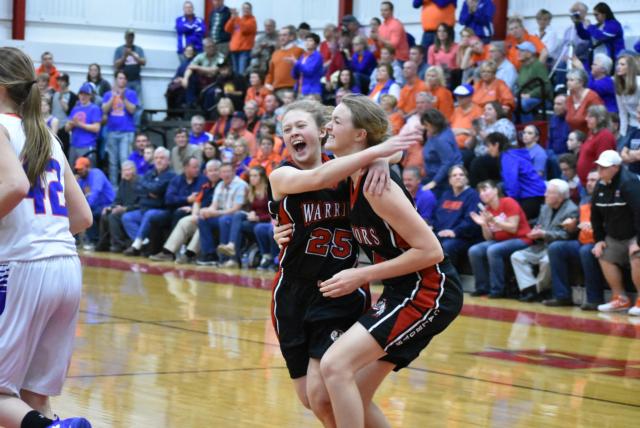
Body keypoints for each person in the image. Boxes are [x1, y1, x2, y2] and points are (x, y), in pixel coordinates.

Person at [314, 94, 463, 428]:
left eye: (337, 121)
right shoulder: (355, 173)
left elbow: (431, 251)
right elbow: (390, 150)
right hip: (403, 289)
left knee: (335, 367)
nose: (328, 126)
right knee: (336, 395)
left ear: (359, 134)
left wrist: (362, 276)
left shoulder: (375, 187)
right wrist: (385, 157)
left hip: (428, 291)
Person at [268, 98, 417, 426]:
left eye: (300, 126)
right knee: (313, 400)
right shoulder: (282, 176)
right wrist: (379, 155)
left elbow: (390, 151)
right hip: (291, 296)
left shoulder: (350, 171)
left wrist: (383, 160)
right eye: (286, 129)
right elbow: (320, 178)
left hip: (340, 291)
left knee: (327, 392)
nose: (293, 132)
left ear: (322, 132)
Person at [0, 46, 93, 428]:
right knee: (32, 394)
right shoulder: (46, 135)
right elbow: (82, 216)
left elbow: (15, 185)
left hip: (22, 268)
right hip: (65, 268)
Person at [510, 179, 578, 303]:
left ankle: (536, 290)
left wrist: (544, 234)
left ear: (560, 196)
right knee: (517, 256)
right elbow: (539, 225)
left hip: (557, 248)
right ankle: (529, 289)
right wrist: (536, 231)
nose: (545, 194)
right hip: (542, 246)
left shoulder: (571, 210)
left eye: (549, 192)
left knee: (547, 261)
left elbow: (567, 235)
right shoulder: (545, 207)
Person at [546, 169, 605, 309]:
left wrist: (595, 227)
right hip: (583, 239)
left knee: (586, 251)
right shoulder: (584, 199)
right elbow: (578, 224)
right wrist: (572, 226)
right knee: (556, 248)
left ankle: (595, 299)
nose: (589, 183)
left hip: (601, 241)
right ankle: (562, 296)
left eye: (593, 180)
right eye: (588, 180)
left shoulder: (607, 197)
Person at [590, 150, 640, 315]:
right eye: (599, 167)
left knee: (637, 256)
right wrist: (598, 240)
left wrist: (638, 242)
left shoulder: (629, 183)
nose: (600, 171)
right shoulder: (600, 185)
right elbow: (595, 216)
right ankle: (620, 299)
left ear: (616, 168)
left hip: (634, 234)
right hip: (615, 236)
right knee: (604, 254)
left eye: (604, 168)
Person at [468, 180, 532, 297]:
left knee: (493, 250)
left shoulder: (508, 202)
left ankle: (497, 290)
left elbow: (513, 228)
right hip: (500, 241)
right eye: (480, 192)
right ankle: (482, 288)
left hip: (521, 239)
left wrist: (494, 220)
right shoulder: (487, 210)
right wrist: (483, 224)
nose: (482, 193)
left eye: (485, 189)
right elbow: (489, 238)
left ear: (496, 190)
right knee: (475, 250)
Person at [149, 160, 221, 264]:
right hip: (201, 214)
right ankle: (168, 252)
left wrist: (200, 213)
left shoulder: (221, 186)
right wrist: (194, 214)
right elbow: (197, 201)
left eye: (216, 170)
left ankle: (189, 254)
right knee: (184, 221)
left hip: (213, 217)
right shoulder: (205, 185)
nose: (213, 173)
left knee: (203, 224)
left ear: (221, 171)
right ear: (206, 173)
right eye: (210, 170)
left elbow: (216, 206)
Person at [121, 147, 175, 256]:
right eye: (156, 158)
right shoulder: (149, 173)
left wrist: (150, 189)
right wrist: (150, 192)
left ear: (168, 160)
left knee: (150, 214)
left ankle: (136, 245)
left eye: (162, 158)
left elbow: (157, 190)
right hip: (145, 208)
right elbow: (137, 188)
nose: (158, 160)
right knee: (127, 217)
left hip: (162, 210)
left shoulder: (171, 175)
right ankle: (145, 243)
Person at [217, 166, 271, 267]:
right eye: (251, 176)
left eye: (255, 176)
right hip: (254, 222)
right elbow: (251, 209)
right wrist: (251, 213)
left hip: (265, 222)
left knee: (238, 224)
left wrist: (259, 218)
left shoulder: (269, 191)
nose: (252, 178)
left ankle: (233, 256)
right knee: (238, 220)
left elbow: (273, 213)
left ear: (262, 177)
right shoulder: (251, 191)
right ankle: (232, 255)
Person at [486, 132, 547, 220]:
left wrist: (510, 205)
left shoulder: (508, 157)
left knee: (508, 221)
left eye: (488, 146)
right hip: (537, 195)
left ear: (496, 145)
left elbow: (512, 184)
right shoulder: (514, 153)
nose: (487, 150)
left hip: (530, 197)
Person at [196, 162, 247, 266]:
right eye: (223, 172)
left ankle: (225, 258)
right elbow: (214, 205)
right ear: (220, 174)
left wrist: (216, 213)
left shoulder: (241, 184)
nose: (226, 174)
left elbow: (236, 208)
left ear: (233, 172)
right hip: (222, 214)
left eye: (228, 171)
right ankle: (210, 255)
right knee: (202, 219)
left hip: (236, 216)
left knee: (223, 220)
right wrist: (206, 211)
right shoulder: (220, 185)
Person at [432, 165, 482, 266]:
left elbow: (470, 220)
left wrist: (454, 231)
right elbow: (436, 215)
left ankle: (451, 279)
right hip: (442, 233)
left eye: (461, 175)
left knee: (447, 246)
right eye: (454, 175)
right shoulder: (446, 195)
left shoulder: (473, 195)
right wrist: (434, 227)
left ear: (466, 179)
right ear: (450, 180)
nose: (458, 177)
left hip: (462, 237)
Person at [102, 71, 139, 186]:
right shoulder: (108, 94)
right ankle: (113, 187)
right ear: (116, 80)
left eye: (123, 78)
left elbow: (132, 110)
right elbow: (104, 110)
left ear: (126, 81)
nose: (121, 80)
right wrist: (113, 98)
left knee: (125, 160)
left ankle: (126, 186)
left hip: (126, 132)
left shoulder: (131, 93)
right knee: (112, 162)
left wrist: (123, 98)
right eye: (119, 78)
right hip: (112, 131)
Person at [96, 161, 141, 253]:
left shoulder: (140, 182)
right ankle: (103, 244)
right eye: (125, 170)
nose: (127, 172)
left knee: (113, 216)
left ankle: (118, 245)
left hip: (135, 210)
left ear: (134, 170)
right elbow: (117, 200)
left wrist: (125, 209)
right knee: (105, 214)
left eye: (129, 170)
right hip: (123, 209)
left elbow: (141, 204)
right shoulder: (123, 182)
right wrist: (110, 207)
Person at [420, 108, 463, 196]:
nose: (424, 127)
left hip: (442, 182)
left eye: (426, 125)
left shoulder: (441, 140)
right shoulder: (443, 131)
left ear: (434, 124)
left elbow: (447, 163)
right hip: (434, 177)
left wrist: (434, 182)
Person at [74, 157, 115, 248]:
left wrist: (85, 208)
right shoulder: (81, 180)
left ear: (88, 167)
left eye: (81, 169)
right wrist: (74, 183)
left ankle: (95, 241)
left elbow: (95, 192)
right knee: (80, 214)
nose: (79, 171)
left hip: (109, 204)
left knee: (90, 214)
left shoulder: (97, 173)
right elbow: (78, 196)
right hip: (95, 205)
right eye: (77, 169)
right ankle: (80, 240)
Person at [576, 104, 616, 186]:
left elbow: (604, 163)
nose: (586, 119)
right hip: (585, 183)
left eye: (590, 117)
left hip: (595, 185)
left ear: (600, 119)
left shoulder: (605, 136)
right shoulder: (592, 133)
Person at [65, 83, 101, 166]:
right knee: (72, 173)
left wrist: (80, 124)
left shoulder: (94, 108)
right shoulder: (75, 108)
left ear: (90, 96)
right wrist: (71, 124)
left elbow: (96, 128)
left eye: (86, 94)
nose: (83, 96)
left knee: (87, 173)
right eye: (81, 94)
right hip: (74, 146)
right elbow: (66, 129)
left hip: (88, 146)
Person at [515, 41, 552, 122]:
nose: (518, 53)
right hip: (523, 96)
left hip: (541, 98)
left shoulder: (538, 66)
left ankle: (528, 127)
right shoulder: (523, 66)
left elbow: (546, 86)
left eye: (522, 51)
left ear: (529, 54)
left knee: (523, 104)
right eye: (518, 50)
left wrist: (530, 94)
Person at [265, 26, 304, 98]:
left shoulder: (299, 51)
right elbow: (270, 73)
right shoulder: (275, 53)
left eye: (284, 35)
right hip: (277, 90)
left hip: (293, 89)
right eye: (280, 35)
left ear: (291, 37)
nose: (281, 38)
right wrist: (267, 84)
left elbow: (303, 69)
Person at [565, 68, 604, 134]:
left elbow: (600, 120)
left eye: (571, 80)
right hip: (575, 139)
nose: (568, 83)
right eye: (567, 80)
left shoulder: (592, 97)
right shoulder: (569, 99)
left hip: (591, 136)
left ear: (581, 82)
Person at [224, 2, 257, 75]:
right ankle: (237, 86)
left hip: (244, 50)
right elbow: (227, 29)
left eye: (247, 8)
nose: (246, 10)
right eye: (244, 8)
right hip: (234, 49)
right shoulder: (238, 19)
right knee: (235, 72)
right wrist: (232, 18)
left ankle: (242, 86)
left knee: (241, 72)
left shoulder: (252, 21)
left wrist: (237, 18)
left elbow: (244, 29)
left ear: (251, 10)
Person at [614, 54, 640, 145]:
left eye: (622, 64)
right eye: (618, 64)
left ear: (630, 68)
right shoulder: (619, 86)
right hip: (632, 124)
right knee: (621, 148)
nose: (618, 67)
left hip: (639, 124)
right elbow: (623, 112)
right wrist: (622, 134)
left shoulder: (639, 83)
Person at [113, 29, 146, 98]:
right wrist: (125, 56)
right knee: (124, 100)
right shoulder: (119, 49)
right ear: (125, 38)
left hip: (136, 80)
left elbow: (143, 62)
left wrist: (132, 54)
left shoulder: (138, 49)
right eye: (129, 37)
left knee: (137, 101)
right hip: (123, 81)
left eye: (132, 37)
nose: (130, 39)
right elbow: (116, 65)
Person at [450, 84, 483, 153]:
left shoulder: (478, 111)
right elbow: (450, 128)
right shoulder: (456, 110)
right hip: (452, 146)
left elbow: (478, 132)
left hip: (467, 148)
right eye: (457, 96)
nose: (458, 98)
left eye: (462, 97)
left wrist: (462, 130)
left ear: (470, 97)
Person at [292, 33, 324, 98]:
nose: (307, 42)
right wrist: (295, 66)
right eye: (306, 40)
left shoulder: (317, 56)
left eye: (310, 40)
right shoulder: (303, 56)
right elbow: (294, 75)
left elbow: (309, 71)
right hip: (299, 90)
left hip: (312, 91)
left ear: (316, 44)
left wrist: (297, 63)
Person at [621, 104, 640, 176]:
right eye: (638, 113)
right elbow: (623, 154)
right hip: (632, 176)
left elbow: (639, 155)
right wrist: (635, 154)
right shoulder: (634, 132)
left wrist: (629, 152)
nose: (638, 116)